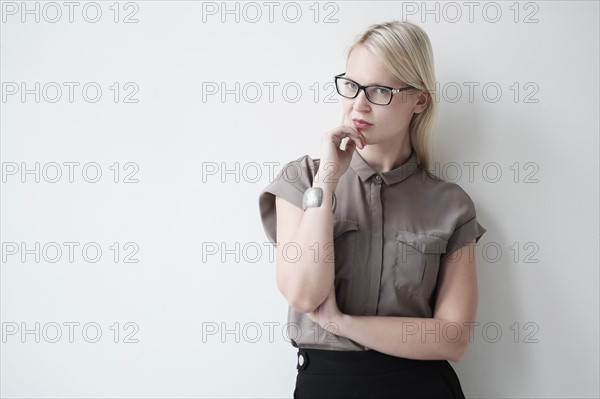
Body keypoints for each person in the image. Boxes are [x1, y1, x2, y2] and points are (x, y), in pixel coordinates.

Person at [258, 20, 486, 398]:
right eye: (351, 86)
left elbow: (453, 338)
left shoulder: (452, 205)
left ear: (419, 100)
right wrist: (328, 180)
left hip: (421, 387)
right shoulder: (303, 179)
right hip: (326, 385)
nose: (358, 105)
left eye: (379, 90)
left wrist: (340, 322)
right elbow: (302, 294)